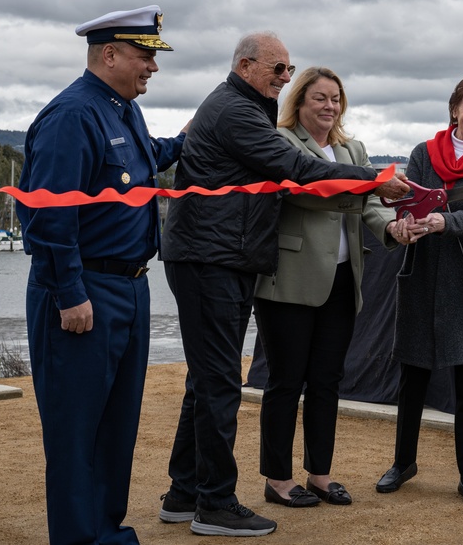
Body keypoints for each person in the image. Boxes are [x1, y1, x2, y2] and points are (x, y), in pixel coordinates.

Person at [158, 33, 409, 537]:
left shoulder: (241, 107)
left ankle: (184, 492)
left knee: (205, 383)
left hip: (221, 256)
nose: (284, 78)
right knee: (222, 384)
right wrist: (371, 179)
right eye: (278, 70)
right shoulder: (238, 112)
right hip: (213, 257)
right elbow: (296, 170)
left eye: (288, 70)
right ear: (247, 66)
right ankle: (215, 504)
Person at [17, 5, 186, 544]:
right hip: (83, 291)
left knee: (116, 428)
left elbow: (146, 159)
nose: (152, 67)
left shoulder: (122, 109)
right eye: (144, 55)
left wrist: (192, 136)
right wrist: (69, 292)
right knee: (76, 431)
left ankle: (106, 531)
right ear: (108, 54)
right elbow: (47, 212)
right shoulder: (73, 115)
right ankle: (78, 538)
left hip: (129, 288)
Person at [254, 66, 401, 509]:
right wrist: (369, 185)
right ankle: (277, 480)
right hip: (289, 283)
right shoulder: (281, 142)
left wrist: (396, 230)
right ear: (298, 102)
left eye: (336, 99)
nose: (329, 106)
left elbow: (372, 204)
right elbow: (306, 190)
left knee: (326, 381)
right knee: (286, 381)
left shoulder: (352, 148)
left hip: (342, 279)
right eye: (320, 98)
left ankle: (320, 474)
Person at [376, 72, 463, 505]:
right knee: (412, 376)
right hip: (422, 273)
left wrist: (443, 221)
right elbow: (408, 203)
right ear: (455, 108)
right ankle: (403, 462)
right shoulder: (423, 153)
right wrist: (409, 222)